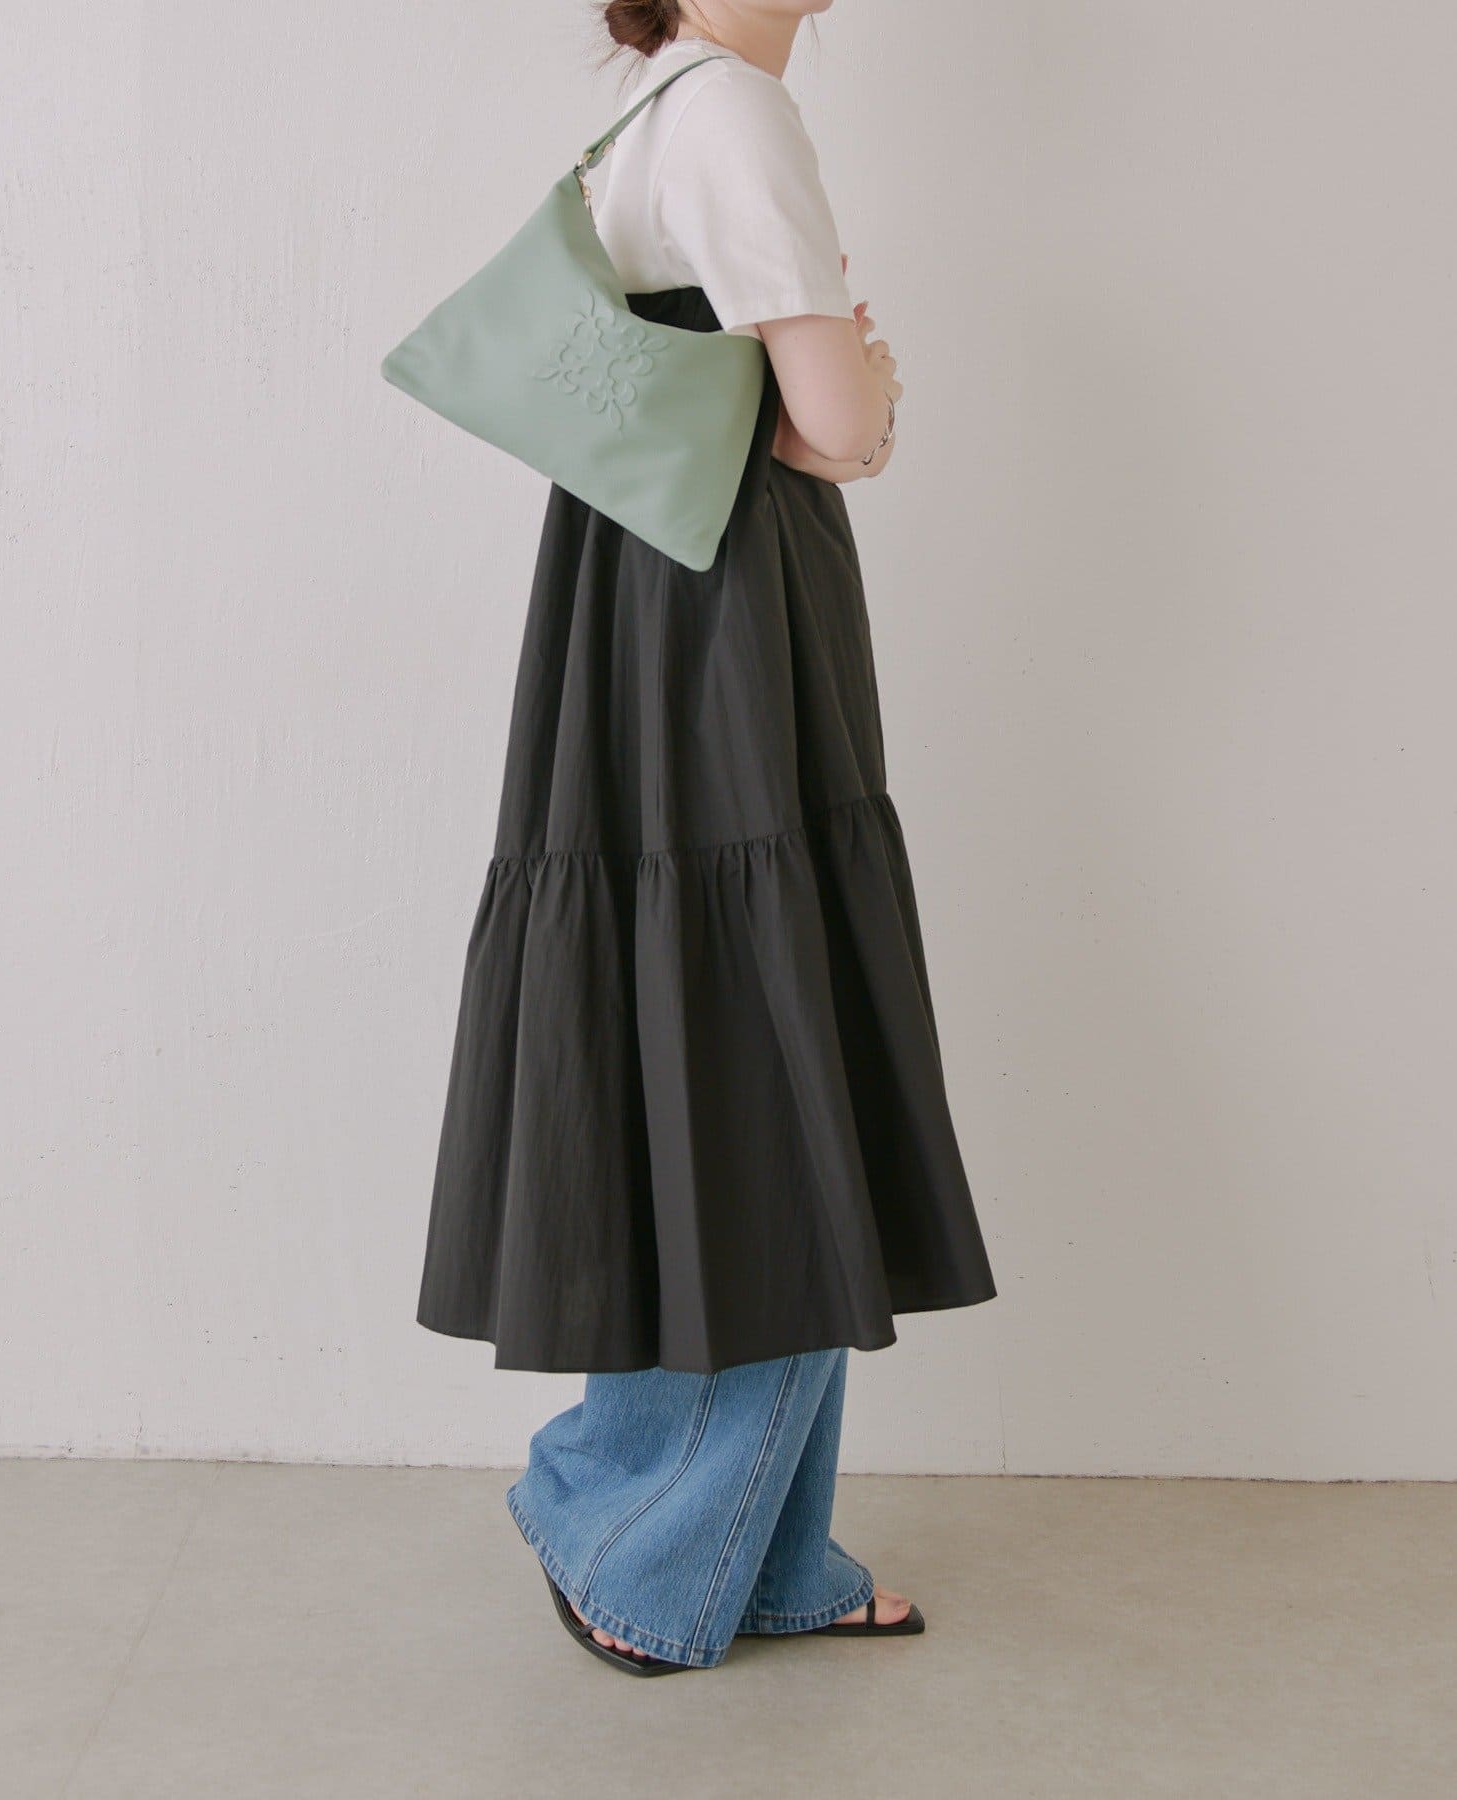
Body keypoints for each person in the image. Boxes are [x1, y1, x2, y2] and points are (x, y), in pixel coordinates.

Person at [415, 0, 997, 1673]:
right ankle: (656, 1557)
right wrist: (871, 397)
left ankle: (741, 1546)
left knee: (706, 1037)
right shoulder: (736, 112)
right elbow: (834, 422)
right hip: (729, 612)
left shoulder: (659, 113)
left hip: (635, 603)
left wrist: (832, 402)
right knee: (769, 1053)